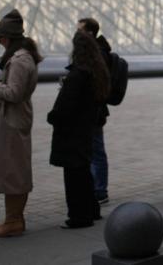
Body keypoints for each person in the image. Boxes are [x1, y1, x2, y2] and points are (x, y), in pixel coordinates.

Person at [0, 10, 42, 238]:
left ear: (9, 37)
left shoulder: (20, 60)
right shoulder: (20, 58)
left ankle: (14, 221)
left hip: (12, 122)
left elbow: (13, 93)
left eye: (0, 37)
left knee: (14, 172)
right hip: (13, 120)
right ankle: (13, 219)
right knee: (12, 171)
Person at [47, 31, 110, 228]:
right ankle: (92, 210)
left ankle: (78, 217)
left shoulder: (77, 74)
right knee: (83, 173)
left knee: (73, 177)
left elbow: (65, 107)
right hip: (85, 129)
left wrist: (52, 117)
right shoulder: (96, 71)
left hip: (71, 132)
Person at [76, 17, 113, 205]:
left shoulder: (98, 53)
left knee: (97, 150)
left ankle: (100, 191)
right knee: (93, 150)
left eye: (80, 30)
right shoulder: (98, 51)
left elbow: (97, 82)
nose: (76, 33)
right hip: (94, 108)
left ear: (89, 33)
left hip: (94, 109)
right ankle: (95, 188)